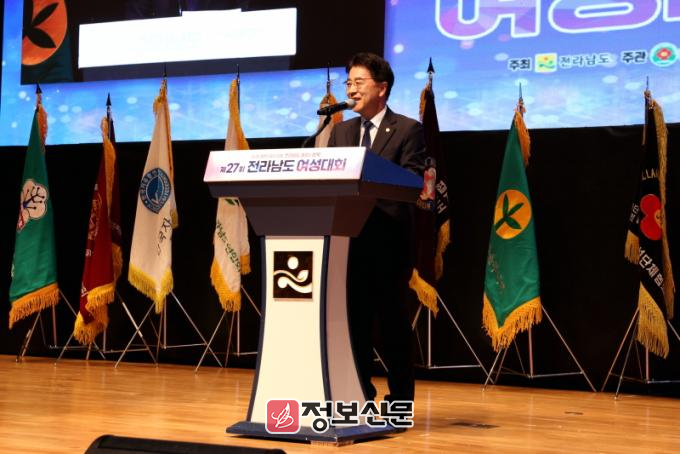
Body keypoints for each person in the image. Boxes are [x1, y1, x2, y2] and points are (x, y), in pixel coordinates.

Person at [328, 52, 426, 403]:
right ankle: (359, 396)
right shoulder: (341, 131)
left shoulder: (408, 130)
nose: (351, 90)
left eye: (359, 82)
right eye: (348, 83)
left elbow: (413, 183)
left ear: (382, 88)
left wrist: (367, 182)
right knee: (354, 322)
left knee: (392, 324)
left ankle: (400, 401)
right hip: (349, 242)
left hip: (388, 243)